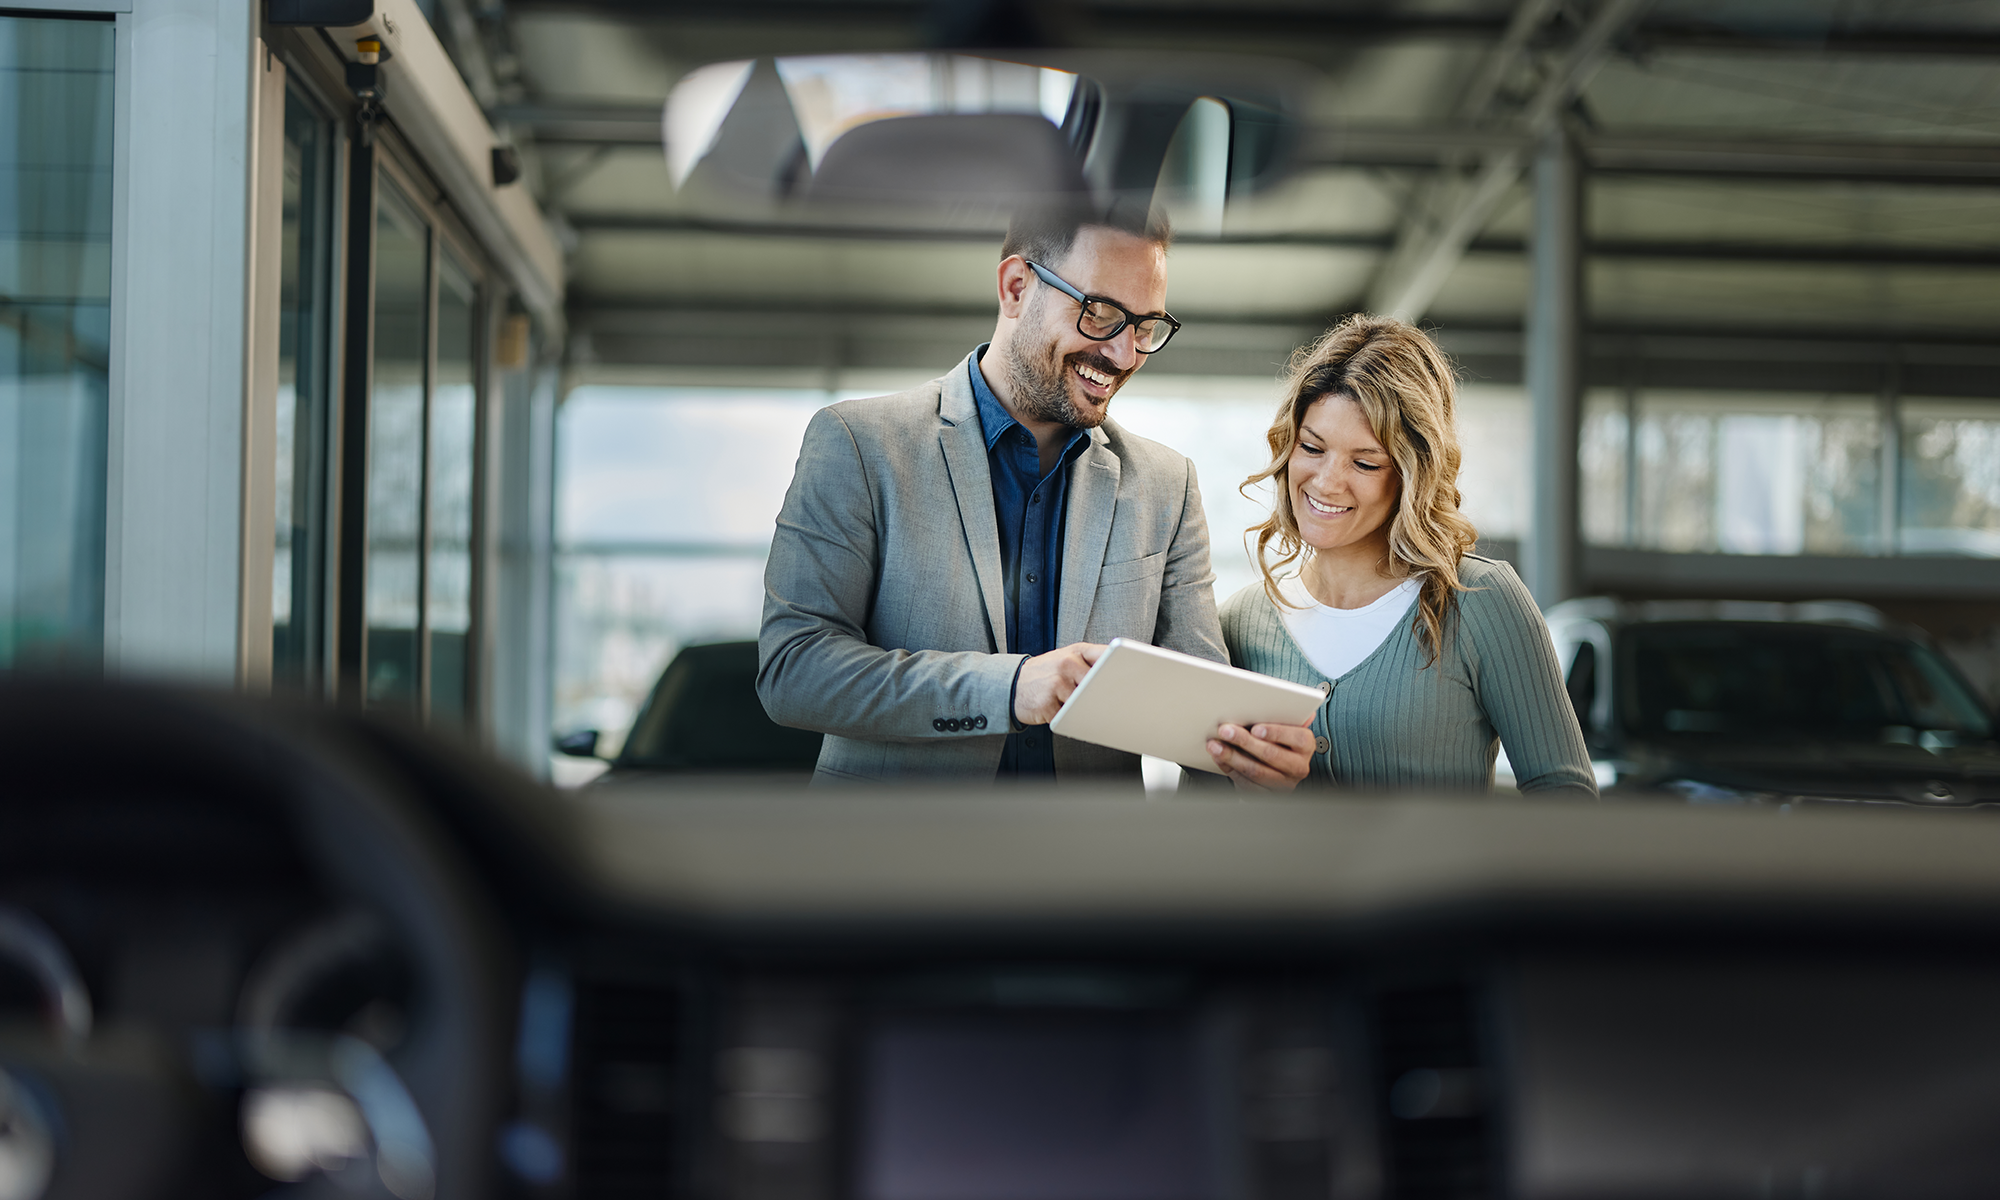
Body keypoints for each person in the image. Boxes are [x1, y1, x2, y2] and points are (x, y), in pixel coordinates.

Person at [758, 204, 1313, 786]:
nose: (1123, 355)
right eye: (1100, 314)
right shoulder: (860, 445)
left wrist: (1251, 757)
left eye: (1145, 328)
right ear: (1017, 287)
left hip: (1085, 869)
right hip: (895, 863)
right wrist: (1014, 687)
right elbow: (793, 670)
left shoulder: (1165, 487)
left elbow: (1204, 720)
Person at [1212, 314, 1596, 796]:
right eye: (1312, 448)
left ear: (1412, 475)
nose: (1327, 481)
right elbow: (1200, 815)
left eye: (1365, 462)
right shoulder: (1238, 623)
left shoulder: (1480, 602)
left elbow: (1566, 796)